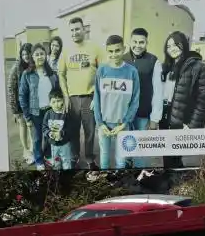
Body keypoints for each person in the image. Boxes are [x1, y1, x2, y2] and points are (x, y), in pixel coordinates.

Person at [159, 31, 205, 169]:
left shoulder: (199, 68)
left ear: (183, 45)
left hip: (181, 124)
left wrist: (191, 126)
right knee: (167, 156)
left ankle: (176, 183)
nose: (172, 49)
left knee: (175, 158)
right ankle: (171, 181)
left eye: (175, 45)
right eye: (168, 46)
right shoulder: (167, 68)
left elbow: (204, 102)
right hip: (165, 121)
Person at [57, 17, 104, 170]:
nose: (75, 32)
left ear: (84, 29)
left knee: (90, 132)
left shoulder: (95, 48)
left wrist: (96, 97)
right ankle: (75, 157)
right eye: (72, 30)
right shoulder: (65, 51)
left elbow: (102, 74)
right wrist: (65, 96)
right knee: (73, 131)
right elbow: (61, 74)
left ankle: (90, 159)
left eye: (77, 29)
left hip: (89, 97)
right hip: (72, 99)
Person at [93, 34, 141, 171]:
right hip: (104, 125)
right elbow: (96, 98)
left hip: (122, 125)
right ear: (107, 51)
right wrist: (100, 123)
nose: (114, 54)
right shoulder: (101, 70)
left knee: (121, 162)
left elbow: (135, 100)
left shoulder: (132, 72)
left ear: (124, 49)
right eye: (110, 51)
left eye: (117, 50)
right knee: (104, 160)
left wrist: (125, 123)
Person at [122, 27, 164, 167]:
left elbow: (158, 91)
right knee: (126, 147)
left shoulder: (153, 61)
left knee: (140, 149)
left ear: (147, 43)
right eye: (135, 41)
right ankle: (125, 175)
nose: (137, 45)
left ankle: (139, 177)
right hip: (125, 115)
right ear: (130, 41)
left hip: (143, 114)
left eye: (142, 42)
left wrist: (154, 118)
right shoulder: (122, 59)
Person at [18, 43, 59, 170]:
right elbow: (22, 96)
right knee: (36, 139)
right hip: (35, 112)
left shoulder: (51, 73)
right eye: (37, 54)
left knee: (48, 136)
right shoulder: (27, 74)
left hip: (49, 111)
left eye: (42, 54)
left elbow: (57, 91)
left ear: (46, 56)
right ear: (33, 57)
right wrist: (27, 117)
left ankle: (47, 155)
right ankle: (39, 160)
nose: (40, 56)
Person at [6, 43, 34, 165]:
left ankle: (33, 151)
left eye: (27, 53)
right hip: (19, 105)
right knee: (23, 127)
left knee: (31, 127)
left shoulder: (34, 66)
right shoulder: (16, 68)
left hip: (32, 104)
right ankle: (26, 150)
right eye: (23, 54)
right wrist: (14, 110)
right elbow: (11, 89)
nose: (25, 56)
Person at [43, 88, 77, 170]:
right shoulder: (48, 114)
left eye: (58, 101)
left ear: (63, 101)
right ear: (50, 103)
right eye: (53, 102)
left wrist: (61, 133)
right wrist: (49, 133)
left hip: (65, 145)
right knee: (56, 162)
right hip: (53, 145)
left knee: (66, 162)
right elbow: (44, 127)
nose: (56, 104)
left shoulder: (66, 114)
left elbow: (70, 129)